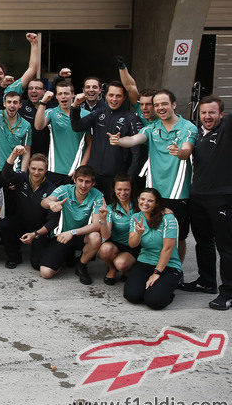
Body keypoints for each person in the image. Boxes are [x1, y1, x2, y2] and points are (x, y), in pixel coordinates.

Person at [107, 89, 196, 264]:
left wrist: (180, 152)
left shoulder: (188, 127)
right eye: (157, 105)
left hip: (177, 193)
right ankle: (150, 265)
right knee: (150, 230)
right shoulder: (152, 127)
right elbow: (133, 140)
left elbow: (187, 151)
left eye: (164, 104)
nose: (160, 108)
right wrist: (119, 141)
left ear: (174, 105)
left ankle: (175, 270)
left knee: (178, 236)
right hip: (154, 193)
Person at [185, 96, 232, 309]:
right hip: (198, 197)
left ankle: (228, 292)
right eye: (204, 113)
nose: (207, 116)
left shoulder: (227, 129)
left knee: (226, 248)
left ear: (221, 114)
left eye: (212, 112)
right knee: (203, 242)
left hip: (222, 199)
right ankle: (206, 282)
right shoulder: (198, 134)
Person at [70, 81, 144, 197]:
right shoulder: (99, 113)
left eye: (118, 96)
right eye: (111, 95)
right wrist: (75, 107)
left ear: (124, 97)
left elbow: (137, 153)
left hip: (116, 179)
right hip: (94, 177)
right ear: (106, 96)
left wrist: (129, 178)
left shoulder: (131, 118)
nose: (114, 99)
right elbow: (77, 126)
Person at [38, 166, 105, 284]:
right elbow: (44, 202)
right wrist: (51, 204)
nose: (83, 185)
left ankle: (81, 265)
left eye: (87, 182)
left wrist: (72, 232)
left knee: (95, 237)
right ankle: (66, 257)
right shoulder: (64, 189)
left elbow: (96, 225)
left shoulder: (98, 195)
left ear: (93, 183)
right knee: (46, 273)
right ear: (74, 179)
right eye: (80, 180)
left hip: (82, 235)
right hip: (62, 235)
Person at [0, 146, 57, 270]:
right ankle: (14, 257)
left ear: (46, 170)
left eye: (40, 170)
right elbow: (6, 174)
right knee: (4, 225)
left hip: (39, 228)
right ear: (29, 167)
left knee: (37, 265)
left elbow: (53, 220)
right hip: (21, 221)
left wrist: (36, 234)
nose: (36, 172)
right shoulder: (22, 178)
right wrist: (14, 154)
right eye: (33, 168)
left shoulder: (51, 188)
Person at [124, 188, 182, 310]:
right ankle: (154, 288)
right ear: (138, 199)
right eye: (142, 199)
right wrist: (138, 234)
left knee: (154, 302)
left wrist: (157, 273)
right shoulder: (136, 217)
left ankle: (168, 290)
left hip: (168, 266)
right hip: (144, 262)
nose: (145, 203)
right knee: (132, 296)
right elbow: (132, 244)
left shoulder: (168, 218)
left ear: (157, 203)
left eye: (150, 201)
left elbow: (168, 248)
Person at [34, 80, 90, 185]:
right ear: (56, 97)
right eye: (60, 94)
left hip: (76, 171)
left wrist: (81, 167)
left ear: (73, 95)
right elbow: (38, 126)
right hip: (54, 170)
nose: (63, 96)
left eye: (66, 93)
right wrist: (43, 102)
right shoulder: (51, 112)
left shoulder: (86, 114)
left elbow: (90, 144)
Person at [97, 174, 140, 285]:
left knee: (121, 264)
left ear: (131, 190)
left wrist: (165, 210)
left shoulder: (139, 205)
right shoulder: (111, 208)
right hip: (117, 244)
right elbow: (106, 236)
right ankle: (112, 268)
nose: (123, 193)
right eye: (119, 189)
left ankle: (127, 268)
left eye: (126, 189)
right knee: (105, 249)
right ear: (114, 190)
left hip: (135, 245)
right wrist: (103, 220)